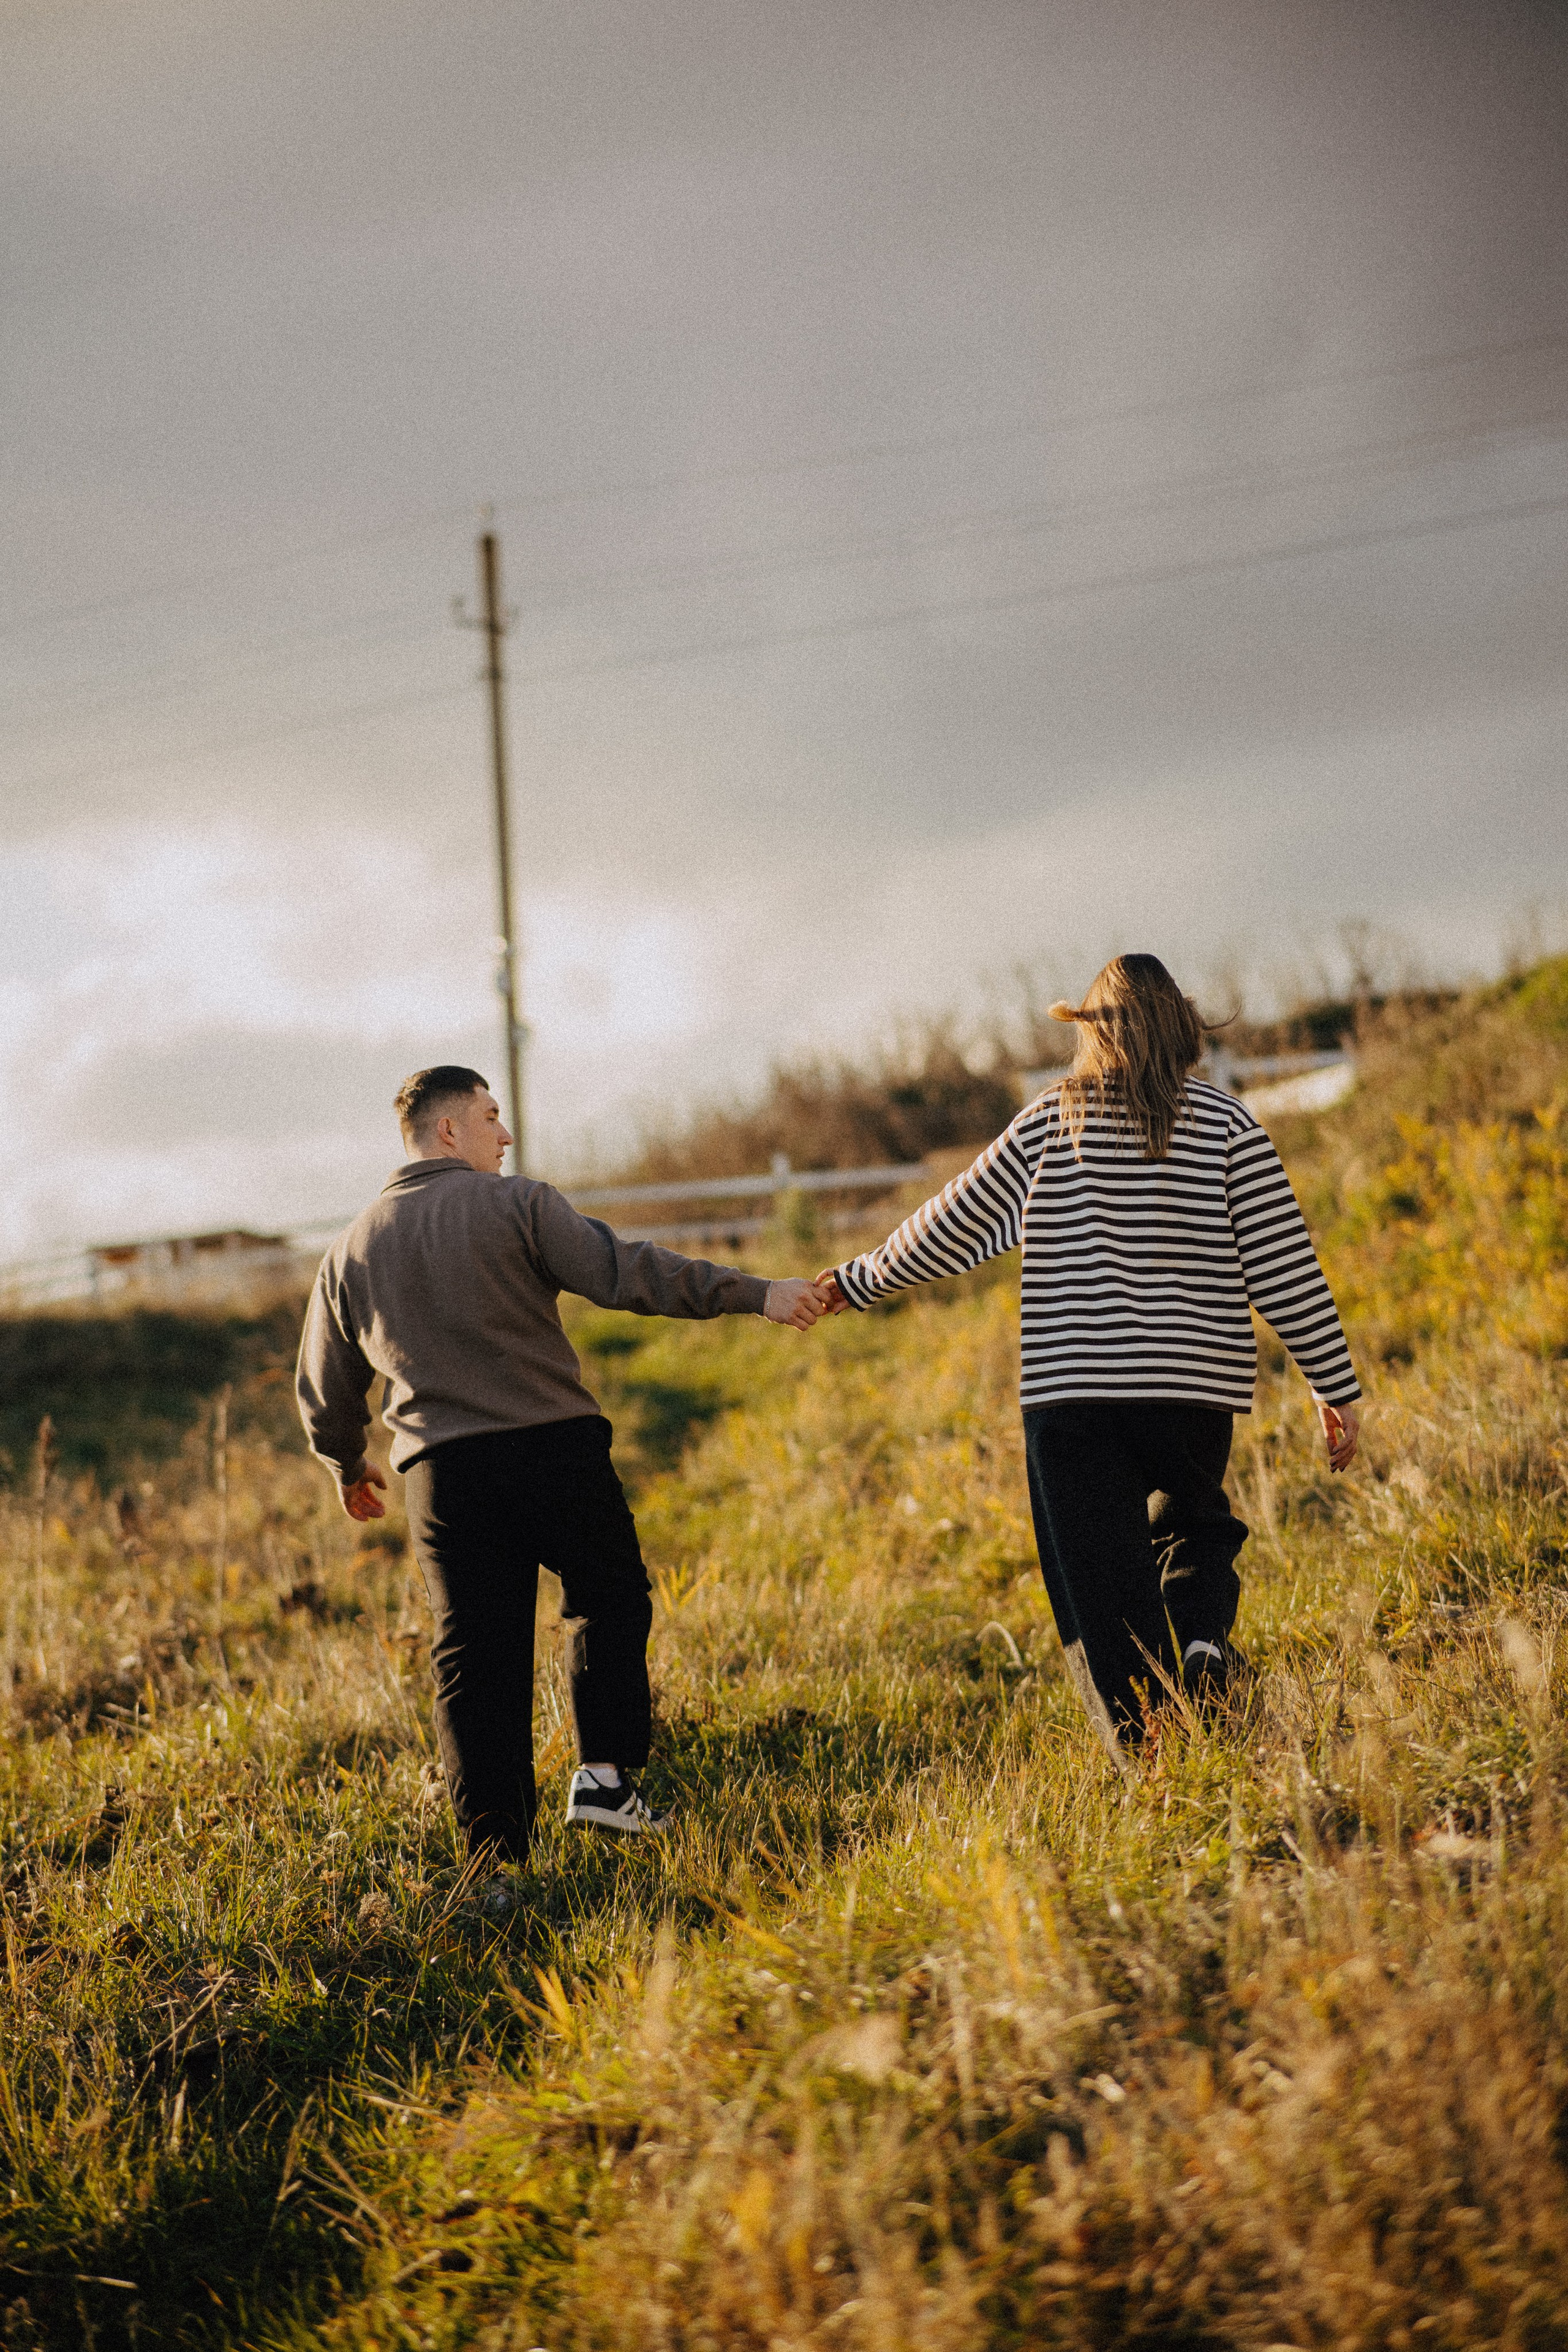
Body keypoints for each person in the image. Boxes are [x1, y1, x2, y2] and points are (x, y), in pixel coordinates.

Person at [817, 955, 1360, 1760]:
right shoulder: (1229, 1124)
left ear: (1091, 1034)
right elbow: (1284, 1263)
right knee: (1196, 1526)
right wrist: (1333, 1383)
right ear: (1184, 1027)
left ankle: (1151, 1756)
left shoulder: (1053, 1121)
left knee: (1099, 1586)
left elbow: (953, 1222)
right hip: (1190, 1387)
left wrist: (857, 1281)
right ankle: (1202, 1643)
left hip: (1073, 1397)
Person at [296, 1065, 829, 1866]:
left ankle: (494, 1857)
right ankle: (607, 1784)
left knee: (474, 1654)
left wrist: (345, 1461)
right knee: (608, 1598)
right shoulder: (518, 1205)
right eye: (490, 1117)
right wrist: (757, 1294)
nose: (504, 1136)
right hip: (553, 1448)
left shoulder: (349, 1252)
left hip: (443, 1476)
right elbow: (632, 1272)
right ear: (449, 1130)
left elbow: (326, 1383)